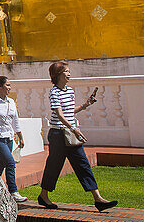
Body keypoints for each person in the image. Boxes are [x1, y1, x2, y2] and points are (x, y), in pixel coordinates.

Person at [37, 61, 118, 211]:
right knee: (54, 166)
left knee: (83, 164)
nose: (69, 74)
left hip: (69, 132)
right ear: (58, 74)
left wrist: (85, 105)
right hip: (58, 134)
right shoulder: (54, 92)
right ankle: (44, 195)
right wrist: (74, 128)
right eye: (66, 71)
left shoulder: (70, 91)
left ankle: (98, 198)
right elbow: (59, 115)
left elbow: (69, 112)